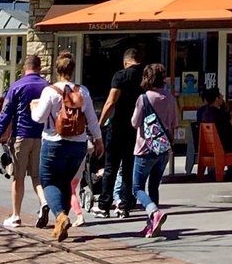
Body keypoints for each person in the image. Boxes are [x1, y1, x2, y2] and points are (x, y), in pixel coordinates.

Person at [29, 51, 103, 243]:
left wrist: (33, 107)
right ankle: (61, 224)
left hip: (53, 143)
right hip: (78, 144)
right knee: (65, 182)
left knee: (48, 181)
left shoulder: (50, 91)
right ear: (72, 69)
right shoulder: (83, 91)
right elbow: (92, 119)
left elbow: (39, 118)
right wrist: (98, 139)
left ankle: (61, 217)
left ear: (57, 70)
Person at [0, 53, 50, 229]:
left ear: (24, 68)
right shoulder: (47, 87)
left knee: (18, 176)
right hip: (41, 136)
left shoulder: (17, 86)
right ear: (39, 67)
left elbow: (6, 112)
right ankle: (43, 202)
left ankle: (16, 215)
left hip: (21, 135)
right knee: (37, 176)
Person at [93, 46, 143, 219]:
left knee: (110, 168)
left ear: (125, 61)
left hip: (117, 126)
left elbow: (111, 101)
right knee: (129, 168)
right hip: (136, 128)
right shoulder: (145, 75)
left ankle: (104, 205)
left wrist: (99, 124)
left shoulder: (120, 75)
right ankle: (125, 205)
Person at [130, 62, 178, 237]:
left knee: (137, 188)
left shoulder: (143, 98)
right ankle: (152, 225)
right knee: (154, 186)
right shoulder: (170, 97)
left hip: (144, 149)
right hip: (163, 149)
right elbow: (174, 123)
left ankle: (154, 213)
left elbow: (135, 123)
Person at [196, 86, 232, 152]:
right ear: (216, 99)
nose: (223, 96)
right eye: (220, 95)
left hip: (213, 147)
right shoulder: (220, 115)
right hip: (225, 148)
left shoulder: (205, 114)